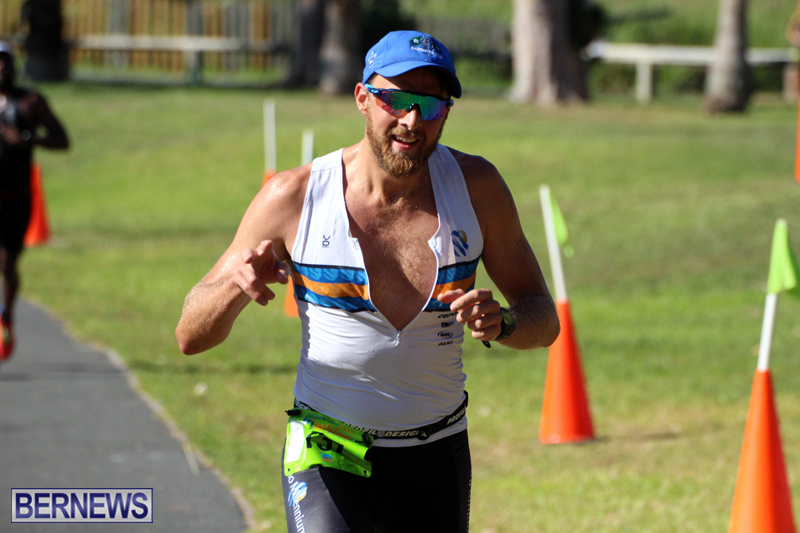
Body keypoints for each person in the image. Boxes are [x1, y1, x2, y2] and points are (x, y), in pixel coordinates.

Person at [175, 31, 559, 533]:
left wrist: (504, 322)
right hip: (326, 448)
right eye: (395, 100)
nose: (412, 121)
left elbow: (543, 317)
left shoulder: (477, 189)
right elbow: (189, 335)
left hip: (436, 454)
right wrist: (233, 288)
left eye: (431, 105)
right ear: (362, 97)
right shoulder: (294, 196)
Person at [0, 41, 70, 361]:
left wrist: (29, 139)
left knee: (7, 263)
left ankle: (6, 316)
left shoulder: (30, 102)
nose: (1, 67)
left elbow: (62, 139)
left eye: (5, 61)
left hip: (17, 198)